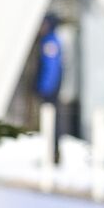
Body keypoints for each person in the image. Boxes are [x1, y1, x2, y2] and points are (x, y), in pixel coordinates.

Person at [36, 13, 64, 162]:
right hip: (50, 88)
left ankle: (53, 154)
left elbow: (51, 68)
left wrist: (44, 88)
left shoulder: (50, 43)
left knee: (51, 122)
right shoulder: (49, 41)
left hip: (50, 90)